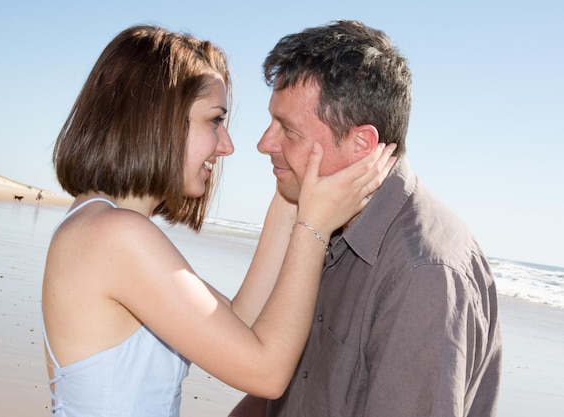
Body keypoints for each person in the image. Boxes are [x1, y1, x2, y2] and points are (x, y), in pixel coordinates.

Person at [41, 25, 396, 417]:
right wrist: (313, 227)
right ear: (158, 118)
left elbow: (239, 323)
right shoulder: (113, 236)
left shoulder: (98, 224)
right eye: (214, 120)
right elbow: (266, 372)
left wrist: (291, 196)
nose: (226, 145)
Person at [230, 20, 502, 417]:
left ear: (362, 143)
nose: (263, 143)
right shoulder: (323, 218)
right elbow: (292, 382)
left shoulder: (423, 273)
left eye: (287, 130)